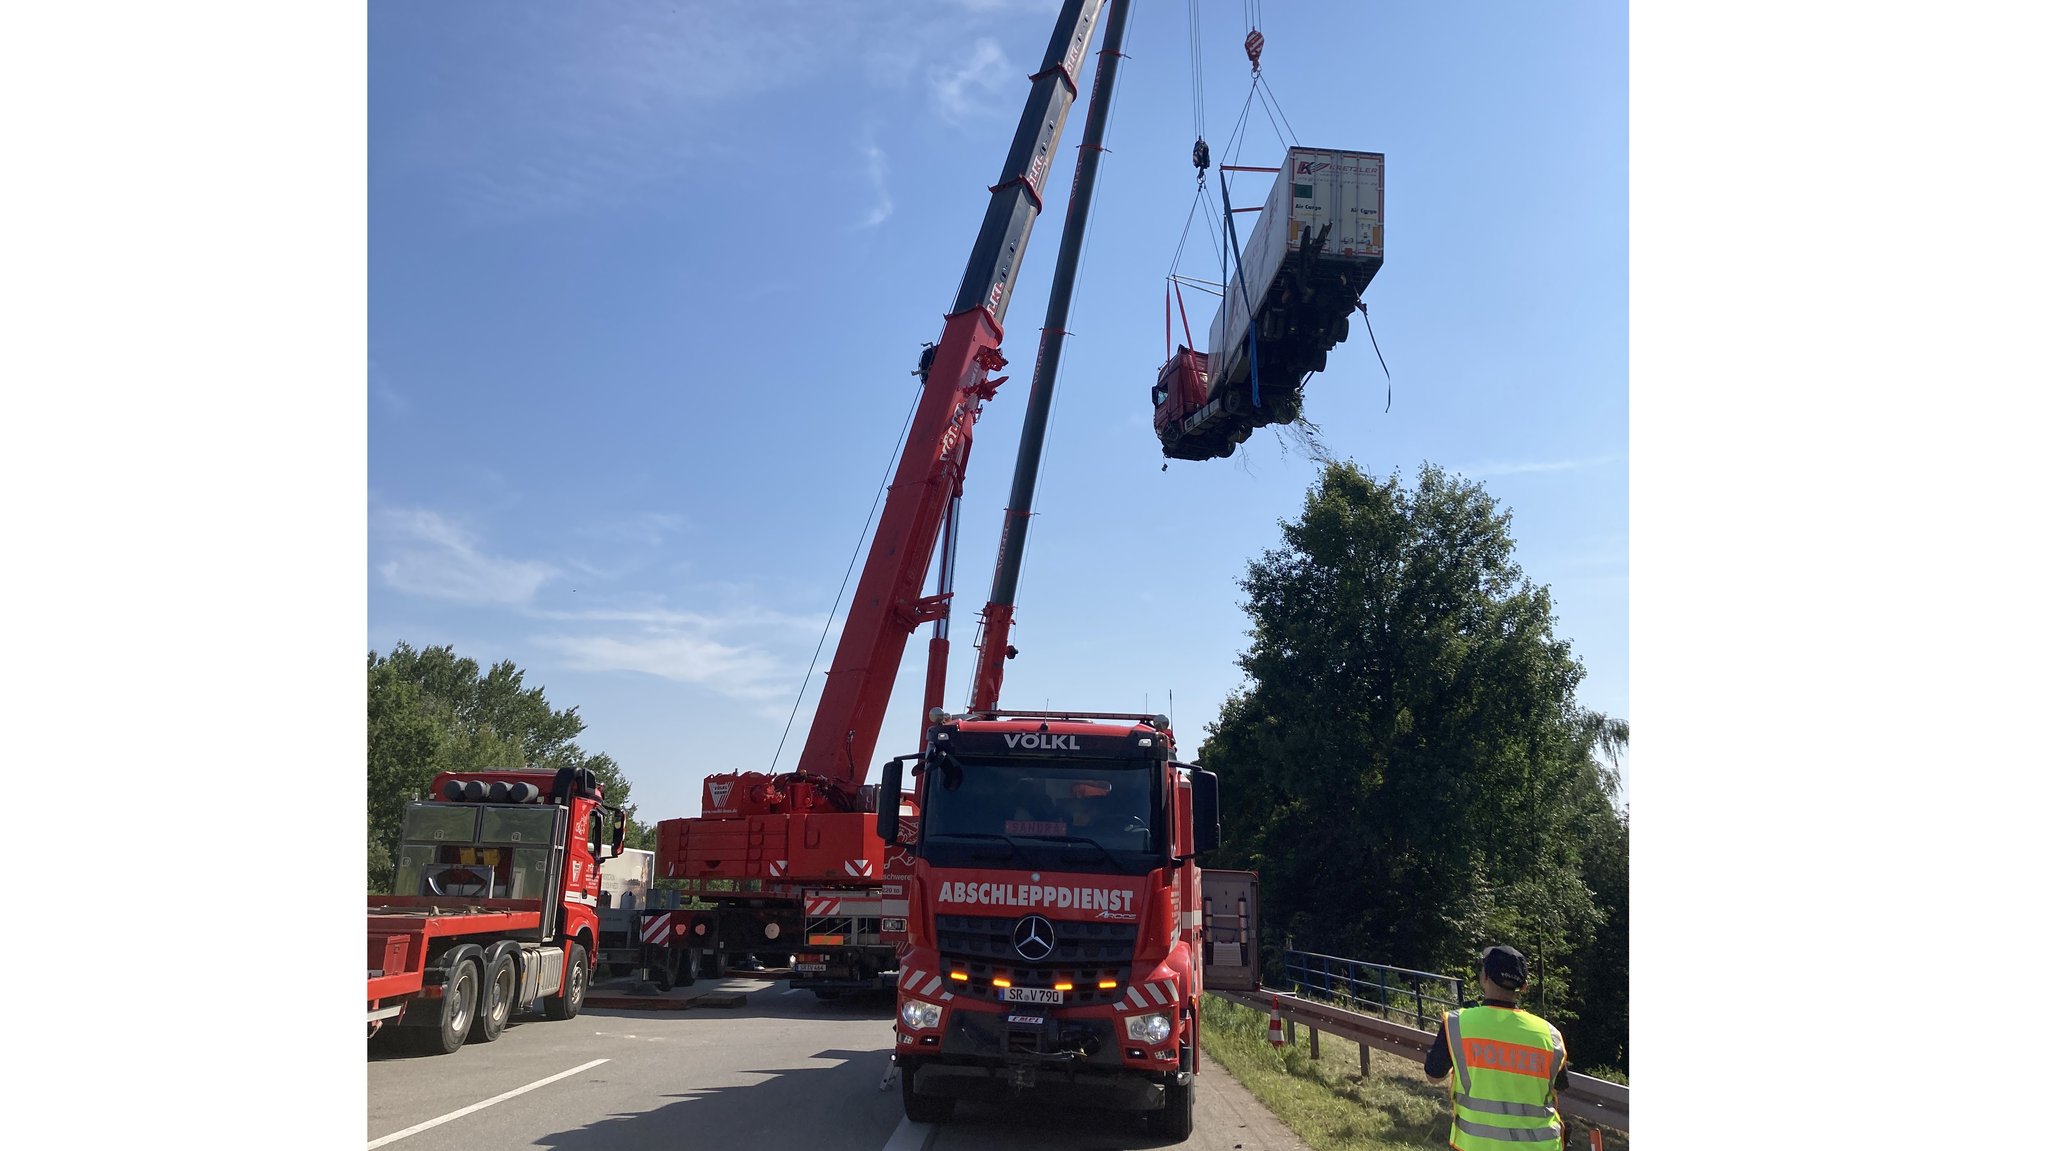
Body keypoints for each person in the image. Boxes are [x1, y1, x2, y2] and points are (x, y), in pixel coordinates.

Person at [1424, 945, 1569, 1151]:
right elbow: (1559, 1086)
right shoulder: (1550, 1035)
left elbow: (1433, 1076)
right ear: (1525, 986)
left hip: (1475, 1146)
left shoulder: (1457, 1024)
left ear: (1484, 978)